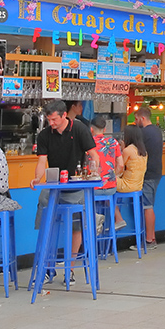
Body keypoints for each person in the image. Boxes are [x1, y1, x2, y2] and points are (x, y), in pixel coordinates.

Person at [32, 100, 100, 276]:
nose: (51, 123)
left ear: (64, 115)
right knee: (45, 221)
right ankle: (47, 266)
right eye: (49, 120)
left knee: (77, 226)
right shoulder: (45, 135)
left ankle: (70, 268)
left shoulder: (79, 129)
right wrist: (37, 178)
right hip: (54, 186)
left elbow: (93, 154)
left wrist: (94, 172)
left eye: (54, 119)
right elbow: (41, 161)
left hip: (76, 184)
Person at [132, 107, 163, 250]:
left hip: (147, 173)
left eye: (136, 119)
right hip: (157, 171)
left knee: (147, 206)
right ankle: (150, 238)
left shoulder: (143, 133)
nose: (135, 122)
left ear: (142, 118)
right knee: (149, 205)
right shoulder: (157, 130)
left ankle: (150, 240)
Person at [89, 116, 125, 229]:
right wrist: (113, 176)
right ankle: (118, 219)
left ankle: (93, 221)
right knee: (107, 195)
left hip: (93, 188)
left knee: (82, 195)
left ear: (91, 129)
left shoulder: (88, 143)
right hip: (111, 187)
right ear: (104, 129)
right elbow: (121, 165)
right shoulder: (113, 142)